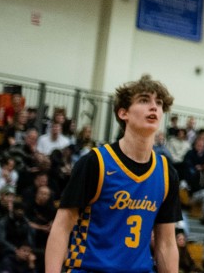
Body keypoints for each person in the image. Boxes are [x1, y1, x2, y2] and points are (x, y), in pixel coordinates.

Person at [45, 75, 182, 273]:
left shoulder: (167, 173)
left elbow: (166, 244)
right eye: (144, 100)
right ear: (123, 113)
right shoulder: (96, 163)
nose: (154, 107)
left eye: (159, 103)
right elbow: (61, 227)